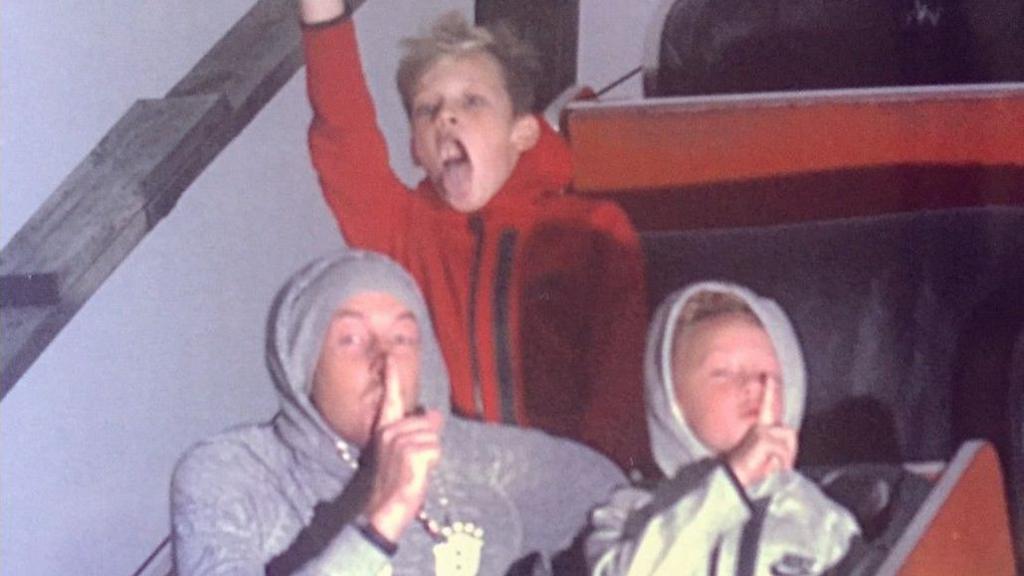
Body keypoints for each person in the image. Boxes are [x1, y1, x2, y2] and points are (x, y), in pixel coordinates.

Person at [298, 0, 651, 473]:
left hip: (576, 485)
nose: (447, 117)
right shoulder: (403, 232)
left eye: (472, 101)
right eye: (428, 109)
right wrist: (322, 13)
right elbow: (343, 135)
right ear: (416, 151)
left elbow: (620, 379)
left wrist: (590, 486)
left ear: (522, 133)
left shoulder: (590, 229)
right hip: (459, 493)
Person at [171, 250, 626, 575]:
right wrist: (383, 516)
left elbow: (630, 515)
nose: (383, 361)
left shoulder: (492, 462)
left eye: (402, 339)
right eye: (350, 339)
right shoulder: (235, 474)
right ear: (303, 362)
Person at [585, 282, 860, 575]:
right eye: (723, 373)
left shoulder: (822, 521)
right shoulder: (629, 513)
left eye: (769, 375)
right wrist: (730, 485)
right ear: (671, 397)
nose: (754, 385)